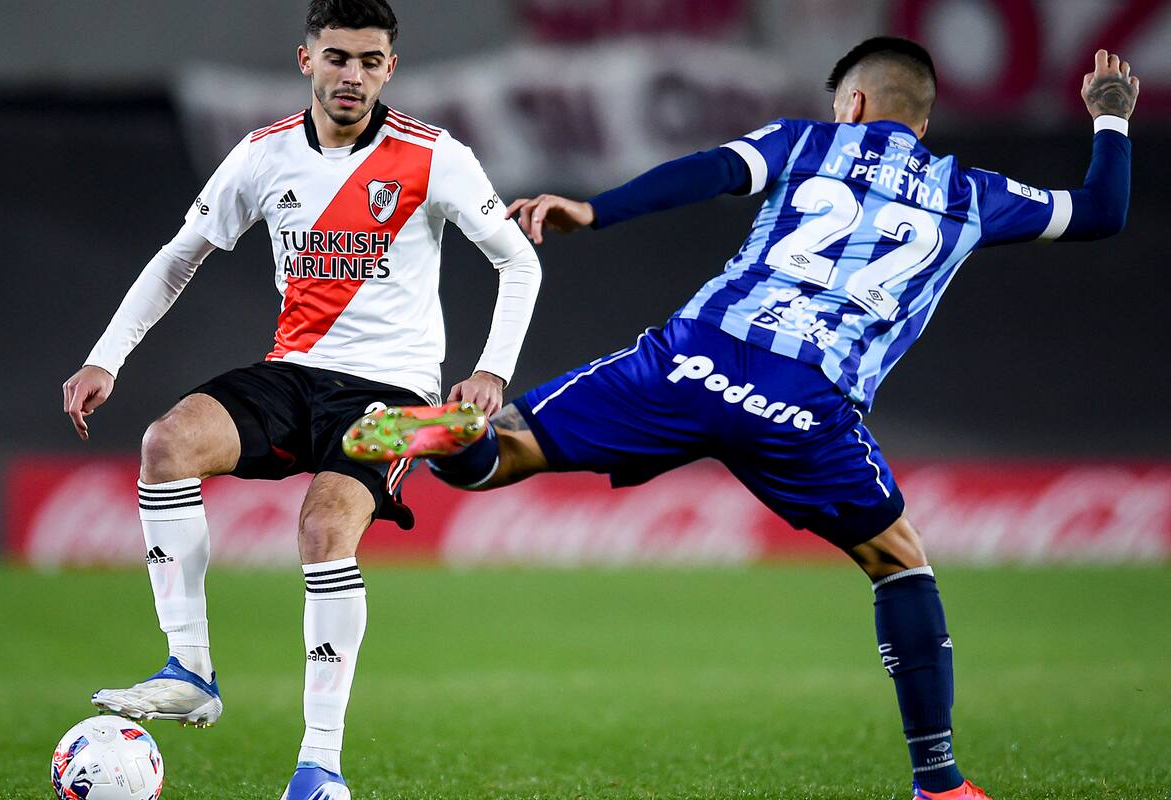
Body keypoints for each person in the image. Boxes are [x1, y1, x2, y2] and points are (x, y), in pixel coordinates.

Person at [344, 38, 1137, 800]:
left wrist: (595, 210)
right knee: (901, 563)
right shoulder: (972, 194)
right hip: (808, 404)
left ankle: (454, 438)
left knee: (509, 447)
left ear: (852, 103)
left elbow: (715, 169)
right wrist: (1109, 115)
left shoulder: (806, 142)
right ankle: (939, 781)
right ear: (922, 122)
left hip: (697, 357)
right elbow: (1102, 210)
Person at [60, 1, 541, 797]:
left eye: (369, 61)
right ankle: (191, 670)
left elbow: (517, 263)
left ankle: (319, 768)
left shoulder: (435, 156)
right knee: (165, 444)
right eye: (337, 57)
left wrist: (491, 369)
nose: (352, 74)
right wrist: (105, 357)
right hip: (294, 373)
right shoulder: (263, 155)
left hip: (393, 394)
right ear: (305, 60)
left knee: (322, 529)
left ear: (389, 68)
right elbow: (180, 256)